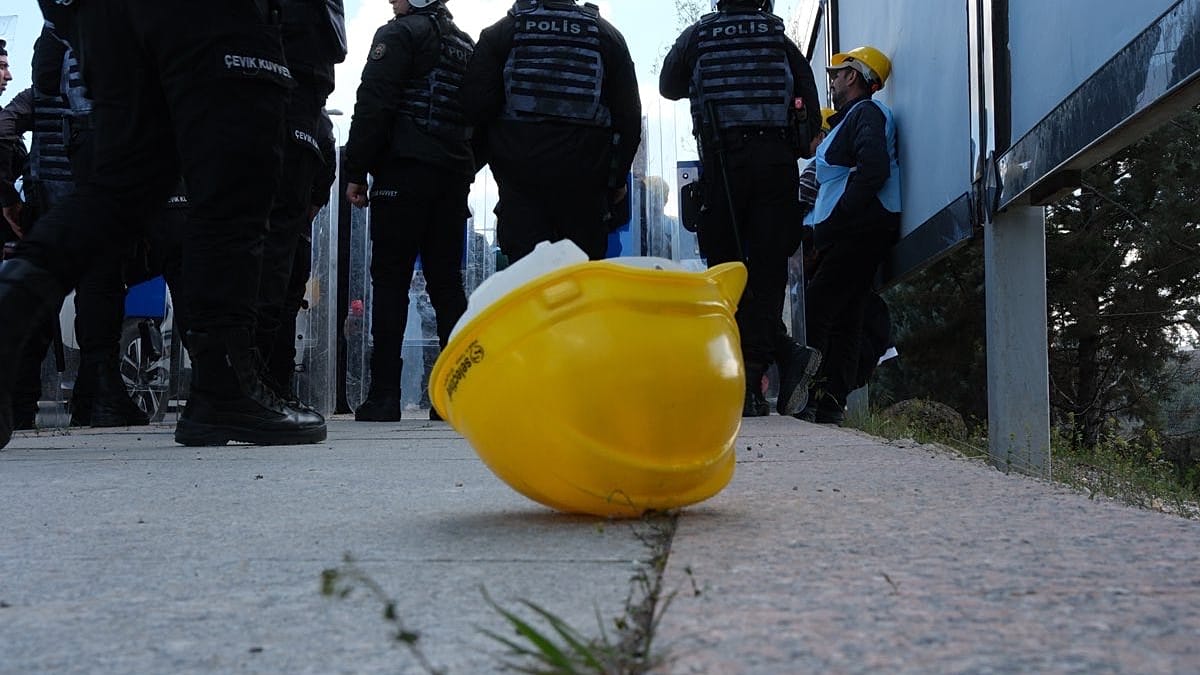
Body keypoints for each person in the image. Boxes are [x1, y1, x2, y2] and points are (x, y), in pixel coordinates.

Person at [0, 0, 328, 449]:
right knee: (237, 186)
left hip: (104, 16)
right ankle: (221, 385)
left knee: (123, 183)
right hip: (216, 21)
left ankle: (10, 308)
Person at [660, 0, 823, 418]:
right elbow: (809, 107)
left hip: (723, 161)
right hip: (773, 162)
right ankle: (771, 364)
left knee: (727, 271)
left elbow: (668, 85)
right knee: (767, 271)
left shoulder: (698, 37)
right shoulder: (779, 39)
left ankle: (752, 378)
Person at [343, 0, 477, 422]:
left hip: (402, 170)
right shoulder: (467, 45)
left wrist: (356, 169)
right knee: (446, 283)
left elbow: (374, 103)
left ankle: (384, 395)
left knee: (390, 279)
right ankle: (454, 395)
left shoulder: (397, 34)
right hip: (451, 176)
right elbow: (481, 115)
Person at [460, 0, 642, 263]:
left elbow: (475, 106)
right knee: (580, 282)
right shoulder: (606, 35)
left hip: (521, 182)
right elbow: (628, 120)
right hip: (585, 183)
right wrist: (614, 181)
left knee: (528, 283)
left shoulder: (503, 31)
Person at [799, 46, 900, 425]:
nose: (834, 82)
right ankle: (829, 401)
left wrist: (837, 221)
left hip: (857, 230)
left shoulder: (866, 113)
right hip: (857, 230)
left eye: (837, 75)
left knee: (817, 308)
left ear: (853, 76)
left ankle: (807, 396)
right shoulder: (854, 118)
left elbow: (873, 171)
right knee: (847, 316)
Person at [255, 0, 346, 405]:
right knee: (277, 286)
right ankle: (264, 387)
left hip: (268, 105)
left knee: (271, 281)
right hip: (292, 111)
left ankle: (252, 385)